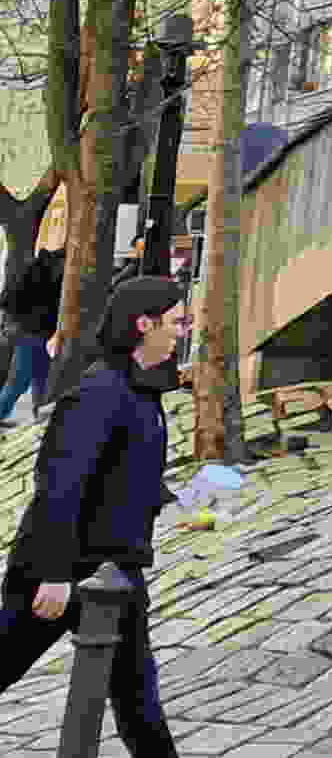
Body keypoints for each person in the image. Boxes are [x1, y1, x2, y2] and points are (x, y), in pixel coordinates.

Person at [0, 276, 193, 757]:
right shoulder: (100, 391)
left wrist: (180, 498)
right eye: (176, 321)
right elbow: (62, 484)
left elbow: (123, 473)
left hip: (116, 574)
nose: (182, 331)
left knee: (137, 703)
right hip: (64, 574)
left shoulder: (142, 391)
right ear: (143, 324)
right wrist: (53, 573)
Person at [0, 250, 59, 426]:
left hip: (41, 333)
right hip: (33, 332)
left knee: (40, 380)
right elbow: (8, 298)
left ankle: (39, 421)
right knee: (19, 380)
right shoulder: (36, 270)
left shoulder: (42, 269)